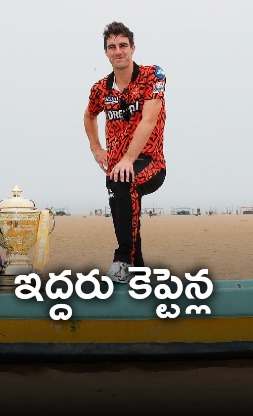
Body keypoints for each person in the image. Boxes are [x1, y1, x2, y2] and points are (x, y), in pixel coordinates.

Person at [84, 22, 167, 283]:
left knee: (123, 180)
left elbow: (149, 120)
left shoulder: (153, 76)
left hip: (150, 162)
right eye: (112, 47)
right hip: (117, 167)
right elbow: (89, 116)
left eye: (122, 45)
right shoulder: (100, 89)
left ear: (132, 48)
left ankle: (122, 260)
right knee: (123, 206)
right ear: (106, 53)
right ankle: (138, 271)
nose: (117, 51)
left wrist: (129, 159)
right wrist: (97, 149)